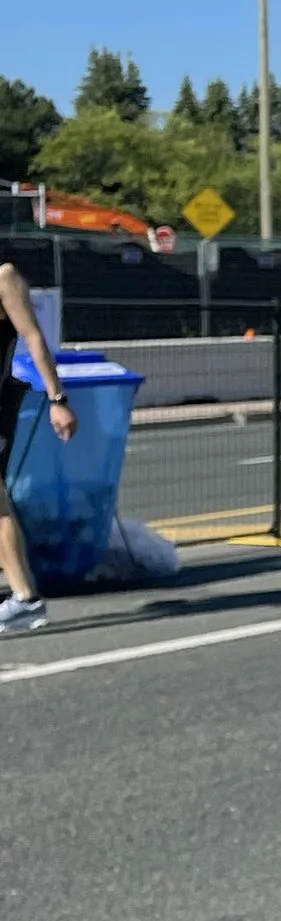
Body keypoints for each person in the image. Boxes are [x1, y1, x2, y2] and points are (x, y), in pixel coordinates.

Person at [0, 258, 75, 637]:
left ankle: (26, 598)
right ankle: (24, 597)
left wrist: (57, 399)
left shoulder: (3, 277)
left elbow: (32, 337)